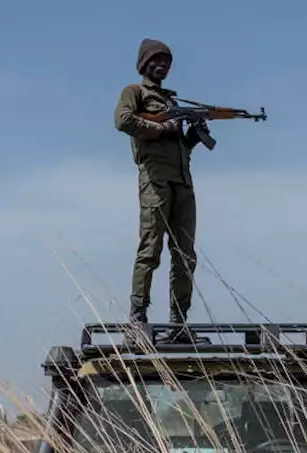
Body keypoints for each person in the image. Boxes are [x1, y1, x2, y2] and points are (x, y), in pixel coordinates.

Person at [114, 37, 210, 345]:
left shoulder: (172, 102)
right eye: (156, 60)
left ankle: (179, 323)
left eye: (167, 61)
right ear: (143, 64)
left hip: (183, 183)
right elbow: (123, 120)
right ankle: (137, 317)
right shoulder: (135, 93)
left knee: (185, 255)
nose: (162, 65)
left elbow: (180, 149)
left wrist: (193, 136)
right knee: (150, 248)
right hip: (155, 181)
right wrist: (161, 128)